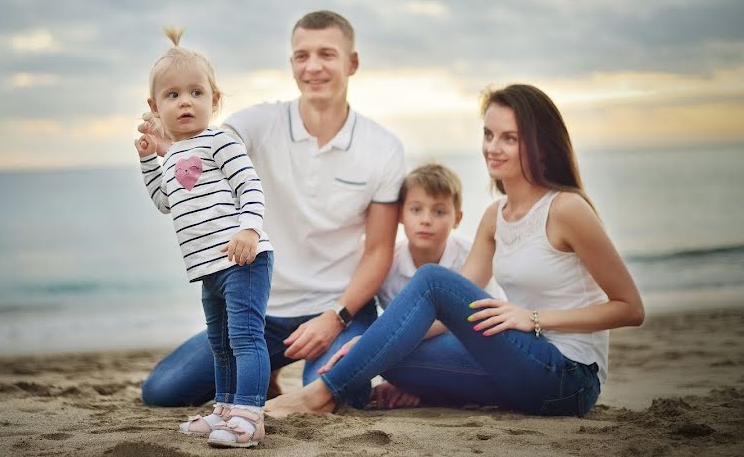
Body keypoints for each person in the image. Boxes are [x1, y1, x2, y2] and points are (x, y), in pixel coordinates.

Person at [265, 84, 645, 417]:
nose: (493, 148)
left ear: (540, 145)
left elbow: (630, 308)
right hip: (520, 368)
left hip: (570, 378)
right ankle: (401, 384)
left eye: (509, 138)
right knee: (391, 354)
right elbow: (450, 312)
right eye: (489, 135)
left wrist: (534, 318)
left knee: (431, 280)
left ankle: (319, 395)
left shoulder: (566, 209)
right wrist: (368, 343)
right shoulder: (496, 217)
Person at [137, 11, 405, 408]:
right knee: (161, 391)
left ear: (352, 63)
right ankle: (268, 372)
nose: (313, 66)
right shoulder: (259, 123)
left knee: (342, 395)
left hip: (337, 308)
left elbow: (379, 249)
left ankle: (287, 378)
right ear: (292, 64)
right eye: (301, 56)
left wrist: (336, 316)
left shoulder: (383, 146)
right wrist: (168, 140)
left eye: (327, 54)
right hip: (262, 311)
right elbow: (206, 143)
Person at [137, 27, 272, 447]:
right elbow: (164, 202)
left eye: (196, 92)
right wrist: (147, 160)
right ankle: (225, 410)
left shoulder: (219, 140)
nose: (185, 102)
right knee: (219, 343)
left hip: (243, 259)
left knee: (245, 336)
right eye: (172, 95)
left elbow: (250, 186)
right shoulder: (172, 154)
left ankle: (250, 414)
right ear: (155, 107)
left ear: (214, 100)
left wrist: (249, 229)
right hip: (207, 269)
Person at [370, 162, 503, 409]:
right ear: (400, 214)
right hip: (421, 350)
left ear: (458, 218)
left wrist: (415, 383)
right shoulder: (388, 264)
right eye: (416, 210)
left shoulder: (471, 257)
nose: (426, 220)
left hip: (473, 346)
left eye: (439, 212)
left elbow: (467, 327)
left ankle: (426, 392)